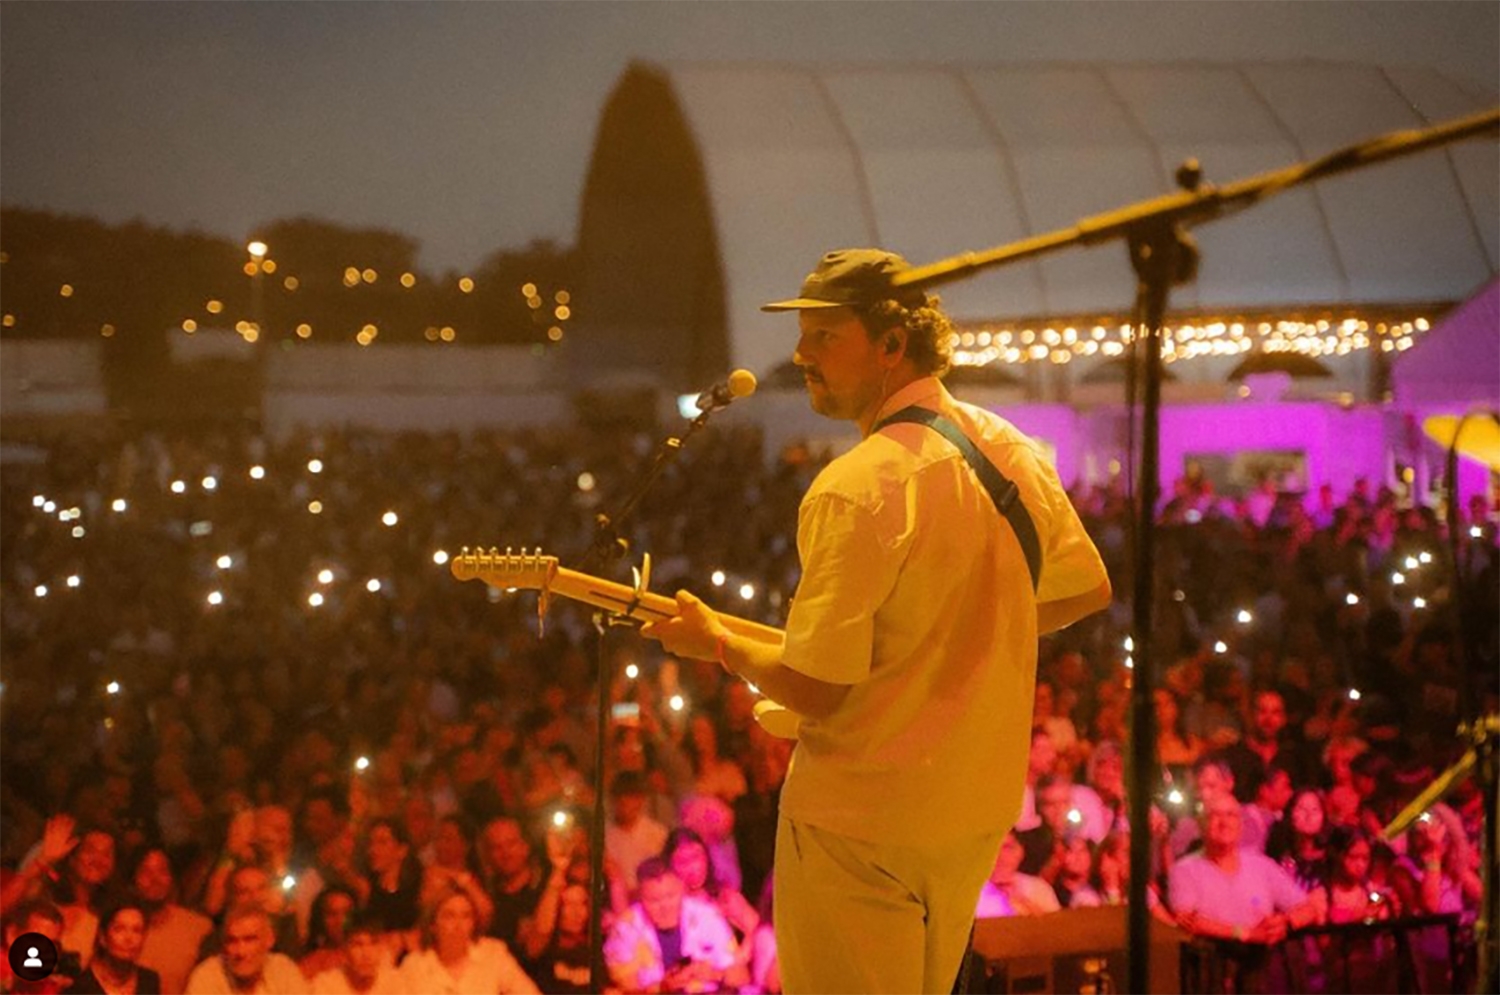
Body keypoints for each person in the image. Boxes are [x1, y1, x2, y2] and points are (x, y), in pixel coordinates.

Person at [640, 248, 1110, 993]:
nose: (801, 354)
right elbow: (1086, 587)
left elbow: (815, 686)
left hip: (860, 822)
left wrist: (718, 643)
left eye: (826, 335)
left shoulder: (857, 485)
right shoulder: (1009, 446)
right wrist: (966, 631)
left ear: (893, 343)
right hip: (971, 807)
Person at [1168, 796, 1322, 944]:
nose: (1224, 822)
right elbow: (1188, 921)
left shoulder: (1261, 865)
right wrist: (1245, 934)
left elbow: (1308, 908)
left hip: (1259, 963)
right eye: (1215, 815)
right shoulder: (1184, 870)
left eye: (1231, 815)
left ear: (1240, 825)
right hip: (1211, 965)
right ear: (1201, 824)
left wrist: (1285, 923)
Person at [603, 858, 741, 994]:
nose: (665, 906)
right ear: (641, 897)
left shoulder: (708, 916)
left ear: (682, 889)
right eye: (654, 900)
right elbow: (624, 989)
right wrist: (662, 988)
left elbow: (742, 977)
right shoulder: (625, 928)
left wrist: (714, 974)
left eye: (671, 896)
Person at [396, 887, 539, 995]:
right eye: (449, 916)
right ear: (433, 925)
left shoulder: (493, 954)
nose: (458, 925)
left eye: (466, 916)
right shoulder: (414, 966)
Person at [130, 847, 213, 995]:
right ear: (133, 880)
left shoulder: (198, 927)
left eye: (162, 871)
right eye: (146, 871)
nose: (154, 879)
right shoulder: (119, 928)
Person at [184, 904, 304, 995]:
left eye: (250, 939)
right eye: (232, 941)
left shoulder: (283, 969)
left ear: (270, 940)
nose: (240, 952)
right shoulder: (207, 975)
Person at [64, 901, 161, 995]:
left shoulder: (149, 981)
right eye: (119, 929)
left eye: (137, 930)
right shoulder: (80, 987)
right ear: (103, 937)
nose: (129, 938)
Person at [307, 914, 402, 995]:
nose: (366, 954)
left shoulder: (394, 982)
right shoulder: (325, 985)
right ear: (344, 949)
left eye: (374, 943)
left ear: (382, 947)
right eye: (357, 944)